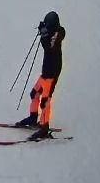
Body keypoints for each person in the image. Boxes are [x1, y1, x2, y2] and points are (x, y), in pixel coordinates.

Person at [16, 11, 66, 140]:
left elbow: (49, 49)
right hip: (46, 71)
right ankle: (33, 118)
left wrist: (44, 35)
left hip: (52, 72)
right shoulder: (52, 31)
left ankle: (44, 127)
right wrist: (43, 30)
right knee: (34, 93)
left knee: (45, 100)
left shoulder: (58, 34)